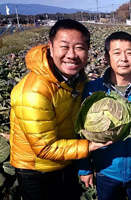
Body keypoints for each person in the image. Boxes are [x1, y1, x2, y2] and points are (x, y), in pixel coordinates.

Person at [9, 19, 111, 200]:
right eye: (64, 46)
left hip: (66, 160)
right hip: (37, 170)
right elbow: (45, 148)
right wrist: (91, 145)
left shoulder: (77, 79)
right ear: (51, 47)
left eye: (79, 47)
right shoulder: (34, 91)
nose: (71, 55)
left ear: (88, 50)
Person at [77, 31, 131, 200]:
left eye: (129, 52)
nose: (124, 58)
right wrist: (84, 168)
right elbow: (81, 131)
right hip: (106, 171)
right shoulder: (92, 90)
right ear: (106, 57)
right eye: (117, 53)